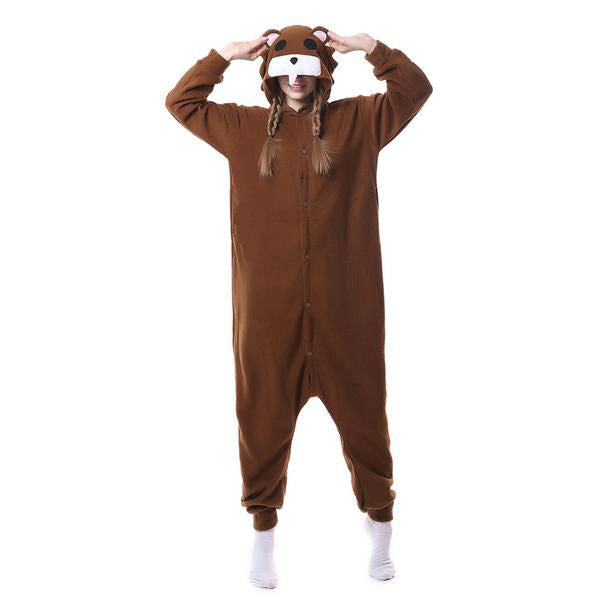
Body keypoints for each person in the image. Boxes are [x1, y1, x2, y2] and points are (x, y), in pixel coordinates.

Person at [165, 25, 433, 588]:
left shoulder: (359, 121)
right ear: (270, 75)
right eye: (285, 68)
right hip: (269, 319)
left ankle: (381, 531)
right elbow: (181, 102)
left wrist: (370, 47)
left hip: (348, 316)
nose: (295, 79)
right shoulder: (241, 129)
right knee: (260, 421)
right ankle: (263, 537)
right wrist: (225, 55)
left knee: (366, 425)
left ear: (322, 75)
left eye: (305, 69)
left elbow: (415, 89)